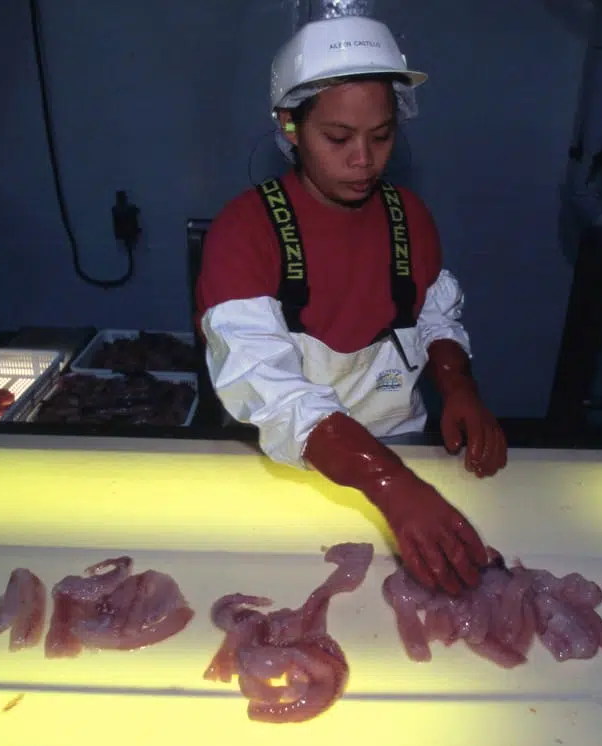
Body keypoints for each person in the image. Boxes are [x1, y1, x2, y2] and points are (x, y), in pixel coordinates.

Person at [194, 16, 508, 596]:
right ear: (290, 126)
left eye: (382, 136)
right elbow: (270, 388)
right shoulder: (244, 232)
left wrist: (457, 383)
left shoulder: (408, 215)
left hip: (406, 449)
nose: (364, 160)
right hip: (290, 471)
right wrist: (390, 487)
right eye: (337, 139)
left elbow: (434, 313)